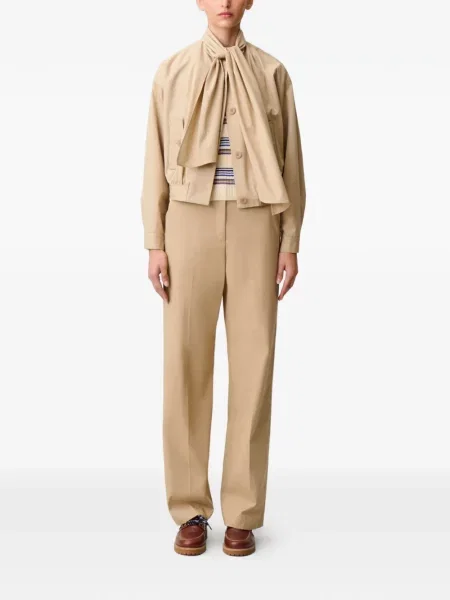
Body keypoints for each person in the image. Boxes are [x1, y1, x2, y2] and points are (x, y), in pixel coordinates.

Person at [140, 0, 306, 557]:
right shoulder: (172, 71)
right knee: (185, 365)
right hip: (188, 222)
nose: (226, 3)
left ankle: (243, 512)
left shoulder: (273, 72)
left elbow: (291, 160)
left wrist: (289, 240)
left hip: (258, 222)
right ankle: (189, 509)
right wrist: (155, 240)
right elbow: (154, 158)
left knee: (255, 363)